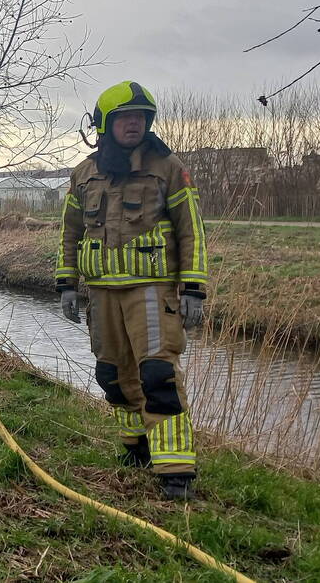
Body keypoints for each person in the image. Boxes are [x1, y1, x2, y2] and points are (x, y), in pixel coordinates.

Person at [55, 81, 208, 500]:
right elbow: (69, 232)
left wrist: (194, 287)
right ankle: (134, 447)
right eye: (125, 117)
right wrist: (67, 283)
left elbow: (191, 229)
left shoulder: (168, 167)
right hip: (101, 292)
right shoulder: (84, 173)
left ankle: (175, 470)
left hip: (151, 291)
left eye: (140, 117)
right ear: (105, 123)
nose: (134, 123)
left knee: (157, 374)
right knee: (113, 375)